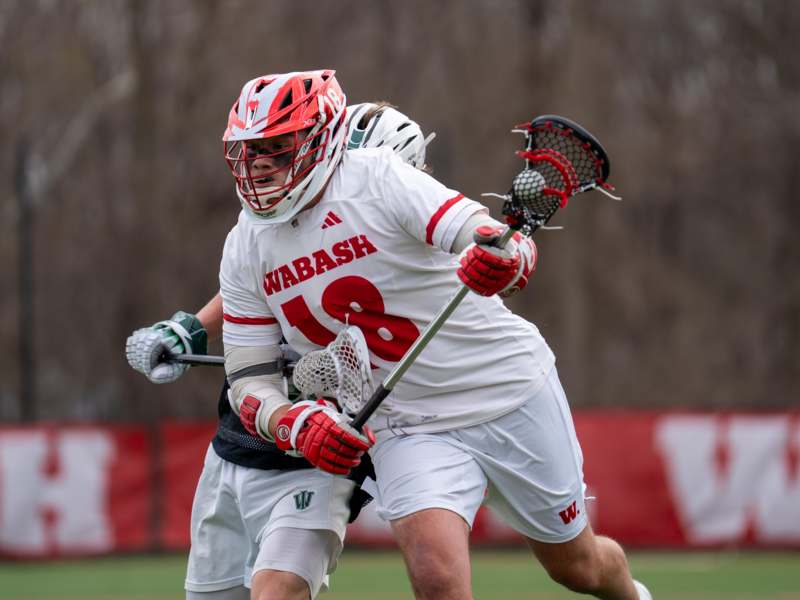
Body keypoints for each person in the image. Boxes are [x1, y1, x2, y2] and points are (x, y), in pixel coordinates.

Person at [216, 68, 653, 600]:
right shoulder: (244, 246)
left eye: (277, 148)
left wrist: (505, 261)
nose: (260, 165)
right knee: (436, 577)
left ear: (322, 136)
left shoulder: (375, 178)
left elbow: (487, 235)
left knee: (578, 566)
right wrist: (296, 423)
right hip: (408, 424)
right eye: (249, 151)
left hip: (503, 389)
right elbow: (248, 378)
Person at [125, 99, 436, 600]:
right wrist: (191, 329)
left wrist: (339, 372)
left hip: (319, 454)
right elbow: (261, 274)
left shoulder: (411, 235)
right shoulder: (285, 211)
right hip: (242, 438)